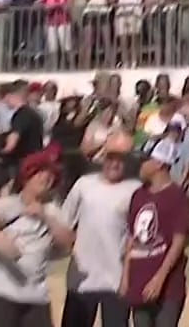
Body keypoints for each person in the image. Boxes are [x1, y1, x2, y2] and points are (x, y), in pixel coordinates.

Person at [0, 147, 73, 327]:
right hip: (0, 293)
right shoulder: (11, 204)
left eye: (50, 175)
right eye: (39, 173)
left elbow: (68, 241)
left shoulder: (54, 211)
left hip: (36, 296)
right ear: (27, 177)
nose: (45, 177)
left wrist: (45, 217)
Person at [61, 133, 141, 327]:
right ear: (103, 157)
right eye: (111, 158)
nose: (115, 164)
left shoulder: (136, 190)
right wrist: (70, 247)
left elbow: (137, 237)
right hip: (82, 279)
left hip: (116, 280)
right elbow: (64, 223)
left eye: (121, 159)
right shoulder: (83, 185)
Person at [123, 139, 189, 327]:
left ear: (159, 163)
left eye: (144, 160)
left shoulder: (176, 196)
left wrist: (159, 278)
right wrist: (125, 277)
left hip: (168, 288)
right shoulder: (138, 194)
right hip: (138, 282)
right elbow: (132, 238)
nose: (139, 164)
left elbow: (179, 242)